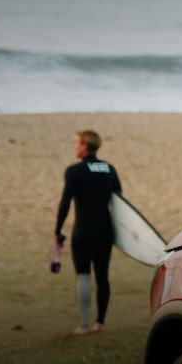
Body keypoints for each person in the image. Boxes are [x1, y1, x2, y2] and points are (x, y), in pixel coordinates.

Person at [54, 130, 122, 335]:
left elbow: (65, 203)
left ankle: (84, 324)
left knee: (83, 276)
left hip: (83, 232)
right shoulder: (109, 169)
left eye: (76, 142)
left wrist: (57, 229)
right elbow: (120, 202)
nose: (74, 146)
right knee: (103, 277)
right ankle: (99, 323)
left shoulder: (75, 171)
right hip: (105, 231)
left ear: (84, 146)